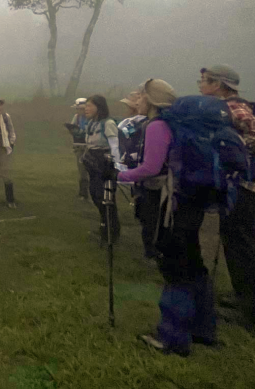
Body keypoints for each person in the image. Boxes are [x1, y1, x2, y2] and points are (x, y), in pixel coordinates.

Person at [118, 79, 218, 356]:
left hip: (168, 204)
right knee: (194, 263)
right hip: (191, 200)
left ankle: (173, 338)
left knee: (175, 269)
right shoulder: (181, 124)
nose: (137, 99)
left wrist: (118, 175)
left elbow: (150, 168)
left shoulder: (157, 126)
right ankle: (204, 329)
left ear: (151, 100)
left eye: (141, 96)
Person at [199, 64, 255, 335]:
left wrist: (237, 154)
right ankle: (244, 299)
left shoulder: (232, 106)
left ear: (219, 85)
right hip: (240, 188)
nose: (200, 85)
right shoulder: (225, 108)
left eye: (205, 81)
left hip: (246, 188)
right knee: (235, 244)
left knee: (244, 249)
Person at [117, 91, 156, 259]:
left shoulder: (137, 124)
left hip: (141, 171)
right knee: (143, 208)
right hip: (137, 169)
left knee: (148, 213)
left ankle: (152, 250)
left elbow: (124, 139)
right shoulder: (134, 122)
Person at [82, 95, 121, 246]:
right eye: (86, 105)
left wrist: (115, 166)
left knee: (106, 199)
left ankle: (111, 232)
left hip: (105, 165)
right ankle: (105, 227)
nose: (86, 108)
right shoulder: (92, 123)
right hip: (92, 164)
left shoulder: (108, 123)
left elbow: (114, 145)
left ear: (99, 107)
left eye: (90, 105)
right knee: (96, 196)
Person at [65, 98, 90, 200]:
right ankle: (83, 193)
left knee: (92, 170)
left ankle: (94, 192)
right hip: (79, 146)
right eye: (78, 109)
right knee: (82, 169)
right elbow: (73, 129)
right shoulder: (76, 117)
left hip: (90, 147)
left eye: (81, 109)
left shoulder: (92, 118)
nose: (79, 111)